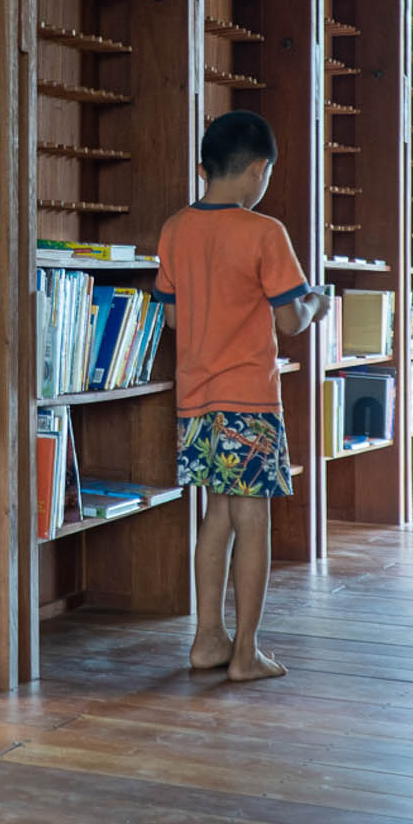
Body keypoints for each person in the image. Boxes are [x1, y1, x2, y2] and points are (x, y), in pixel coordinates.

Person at [154, 111, 330, 682]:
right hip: (249, 401)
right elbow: (290, 320)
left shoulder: (175, 229)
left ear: (204, 167)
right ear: (258, 169)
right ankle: (246, 652)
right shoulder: (265, 232)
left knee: (217, 514)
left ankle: (208, 639)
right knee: (252, 518)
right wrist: (317, 303)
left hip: (196, 399)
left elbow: (173, 319)